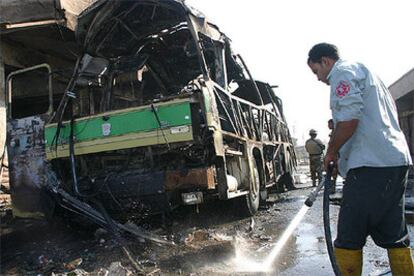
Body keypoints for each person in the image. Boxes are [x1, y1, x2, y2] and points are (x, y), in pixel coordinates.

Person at [307, 42, 413, 276]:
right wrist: (339, 142)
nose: (318, 78)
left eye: (316, 71)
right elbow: (360, 120)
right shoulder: (367, 74)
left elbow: (350, 120)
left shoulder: (342, 73)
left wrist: (332, 151)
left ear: (325, 61)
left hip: (370, 166)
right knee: (395, 234)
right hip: (393, 162)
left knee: (348, 236)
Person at [327, 119, 338, 194]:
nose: (328, 126)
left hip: (337, 154)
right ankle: (333, 187)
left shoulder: (336, 132)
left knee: (334, 171)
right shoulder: (334, 132)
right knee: (334, 172)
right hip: (335, 153)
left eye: (329, 124)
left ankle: (333, 188)